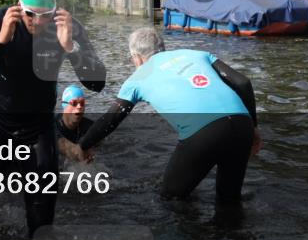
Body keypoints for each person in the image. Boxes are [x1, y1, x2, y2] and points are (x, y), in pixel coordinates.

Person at [0, 0, 106, 236]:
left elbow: (98, 83)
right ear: (18, 5)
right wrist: (0, 42)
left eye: (45, 15)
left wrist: (70, 47)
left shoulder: (66, 26)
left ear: (55, 10)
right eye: (29, 13)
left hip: (37, 129)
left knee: (41, 225)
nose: (37, 21)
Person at [74, 28, 261, 206]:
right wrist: (253, 128)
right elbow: (243, 83)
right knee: (229, 200)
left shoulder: (138, 77)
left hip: (204, 132)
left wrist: (83, 144)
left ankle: (193, 238)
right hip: (242, 123)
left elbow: (110, 120)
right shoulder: (195, 54)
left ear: (137, 58)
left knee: (170, 199)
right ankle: (237, 237)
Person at [55, 86, 94, 161]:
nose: (79, 107)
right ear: (64, 105)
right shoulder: (52, 124)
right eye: (74, 103)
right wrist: (75, 150)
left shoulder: (90, 126)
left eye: (82, 103)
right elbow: (58, 142)